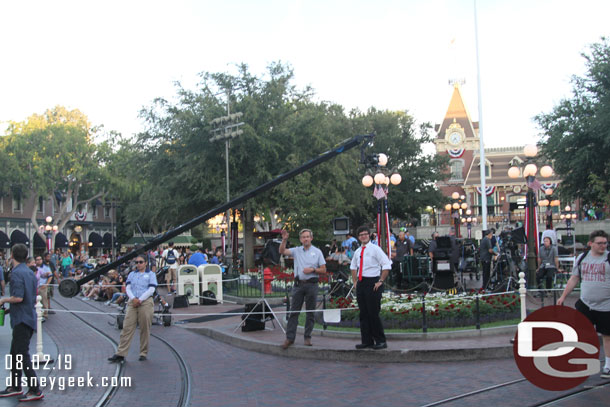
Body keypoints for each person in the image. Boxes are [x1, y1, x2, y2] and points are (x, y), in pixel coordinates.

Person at [558, 230, 610, 379]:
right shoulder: (582, 258)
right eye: (600, 243)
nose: (603, 246)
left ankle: (608, 365)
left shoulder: (609, 258)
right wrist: (563, 296)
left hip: (606, 305)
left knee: (607, 336)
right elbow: (574, 278)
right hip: (585, 303)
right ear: (591, 244)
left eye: (605, 243)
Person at [0, 244, 44, 401]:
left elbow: (18, 297)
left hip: (21, 320)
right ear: (26, 257)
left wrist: (3, 300)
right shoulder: (30, 272)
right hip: (28, 316)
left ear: (12, 255)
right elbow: (29, 297)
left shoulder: (17, 273)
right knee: (15, 354)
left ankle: (35, 389)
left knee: (22, 356)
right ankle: (15, 385)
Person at [279, 229, 326, 349]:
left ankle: (307, 337)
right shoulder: (297, 251)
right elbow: (282, 251)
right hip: (299, 284)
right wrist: (284, 239)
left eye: (307, 237)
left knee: (310, 312)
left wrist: (313, 270)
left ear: (311, 238)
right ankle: (290, 338)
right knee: (294, 312)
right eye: (303, 237)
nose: (305, 239)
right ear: (300, 239)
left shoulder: (317, 252)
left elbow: (324, 269)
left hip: (312, 284)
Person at [108, 254, 157, 362]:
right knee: (127, 327)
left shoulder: (151, 274)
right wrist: (133, 298)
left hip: (145, 302)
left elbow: (151, 289)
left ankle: (143, 352)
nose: (138, 264)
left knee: (145, 328)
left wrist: (140, 299)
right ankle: (121, 353)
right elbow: (128, 288)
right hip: (133, 301)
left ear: (145, 263)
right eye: (137, 262)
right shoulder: (131, 274)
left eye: (140, 262)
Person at [351, 226, 392, 350]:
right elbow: (353, 266)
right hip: (362, 282)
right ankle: (367, 340)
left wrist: (380, 281)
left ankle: (380, 340)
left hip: (373, 282)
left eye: (365, 234)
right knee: (363, 313)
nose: (363, 236)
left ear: (369, 235)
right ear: (358, 237)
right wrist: (355, 281)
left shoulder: (375, 249)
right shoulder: (358, 251)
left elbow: (386, 264)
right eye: (361, 235)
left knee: (373, 313)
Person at [34, 255, 52, 320]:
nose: (39, 261)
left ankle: (45, 314)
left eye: (40, 259)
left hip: (42, 286)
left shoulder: (45, 267)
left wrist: (46, 284)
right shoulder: (33, 267)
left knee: (44, 300)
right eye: (37, 260)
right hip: (35, 287)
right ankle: (37, 313)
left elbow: (50, 276)